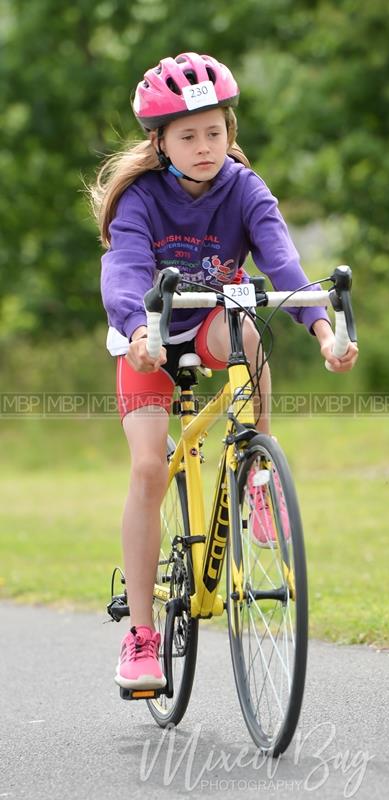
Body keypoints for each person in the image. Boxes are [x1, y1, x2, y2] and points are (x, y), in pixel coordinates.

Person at [90, 51, 358, 691]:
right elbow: (123, 270)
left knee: (246, 320)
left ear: (230, 133)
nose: (205, 146)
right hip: (148, 337)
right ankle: (141, 634)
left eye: (216, 132)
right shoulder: (139, 198)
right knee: (151, 468)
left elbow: (285, 266)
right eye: (189, 136)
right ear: (160, 142)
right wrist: (135, 330)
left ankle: (256, 467)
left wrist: (324, 329)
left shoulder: (246, 189)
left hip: (211, 323)